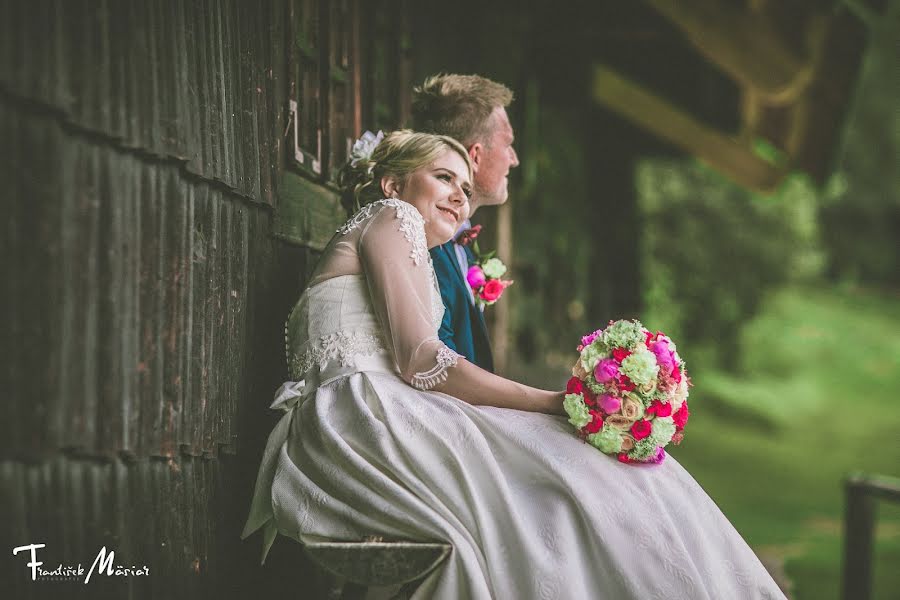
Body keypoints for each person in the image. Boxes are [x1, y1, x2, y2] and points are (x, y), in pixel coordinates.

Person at [242, 130, 787, 599]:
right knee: (574, 467)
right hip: (364, 416)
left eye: (464, 185)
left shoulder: (400, 240)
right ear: (393, 184)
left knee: (589, 473)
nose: (460, 195)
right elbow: (418, 359)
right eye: (443, 177)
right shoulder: (391, 216)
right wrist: (551, 402)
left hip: (363, 413)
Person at [411, 74, 520, 373]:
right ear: (475, 155)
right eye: (508, 144)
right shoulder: (421, 243)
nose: (514, 159)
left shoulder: (461, 242)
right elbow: (439, 366)